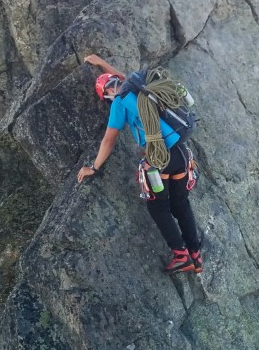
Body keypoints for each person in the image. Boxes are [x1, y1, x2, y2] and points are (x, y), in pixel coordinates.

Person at [77, 54, 203, 274]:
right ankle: (195, 254)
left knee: (158, 207)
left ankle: (181, 255)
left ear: (106, 92)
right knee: (180, 204)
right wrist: (101, 64)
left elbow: (109, 139)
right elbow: (123, 78)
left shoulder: (119, 102)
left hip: (160, 159)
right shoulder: (140, 90)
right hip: (182, 152)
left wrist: (94, 167)